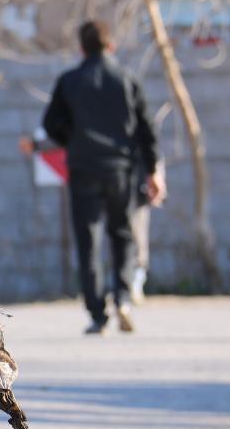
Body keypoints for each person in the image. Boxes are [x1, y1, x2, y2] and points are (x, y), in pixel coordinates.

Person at [42, 20, 165, 334]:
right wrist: (152, 170)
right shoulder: (127, 79)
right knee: (122, 235)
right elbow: (146, 130)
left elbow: (50, 123)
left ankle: (98, 314)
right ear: (111, 46)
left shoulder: (69, 80)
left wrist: (73, 140)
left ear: (82, 48)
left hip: (84, 167)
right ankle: (122, 298)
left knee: (88, 241)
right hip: (120, 170)